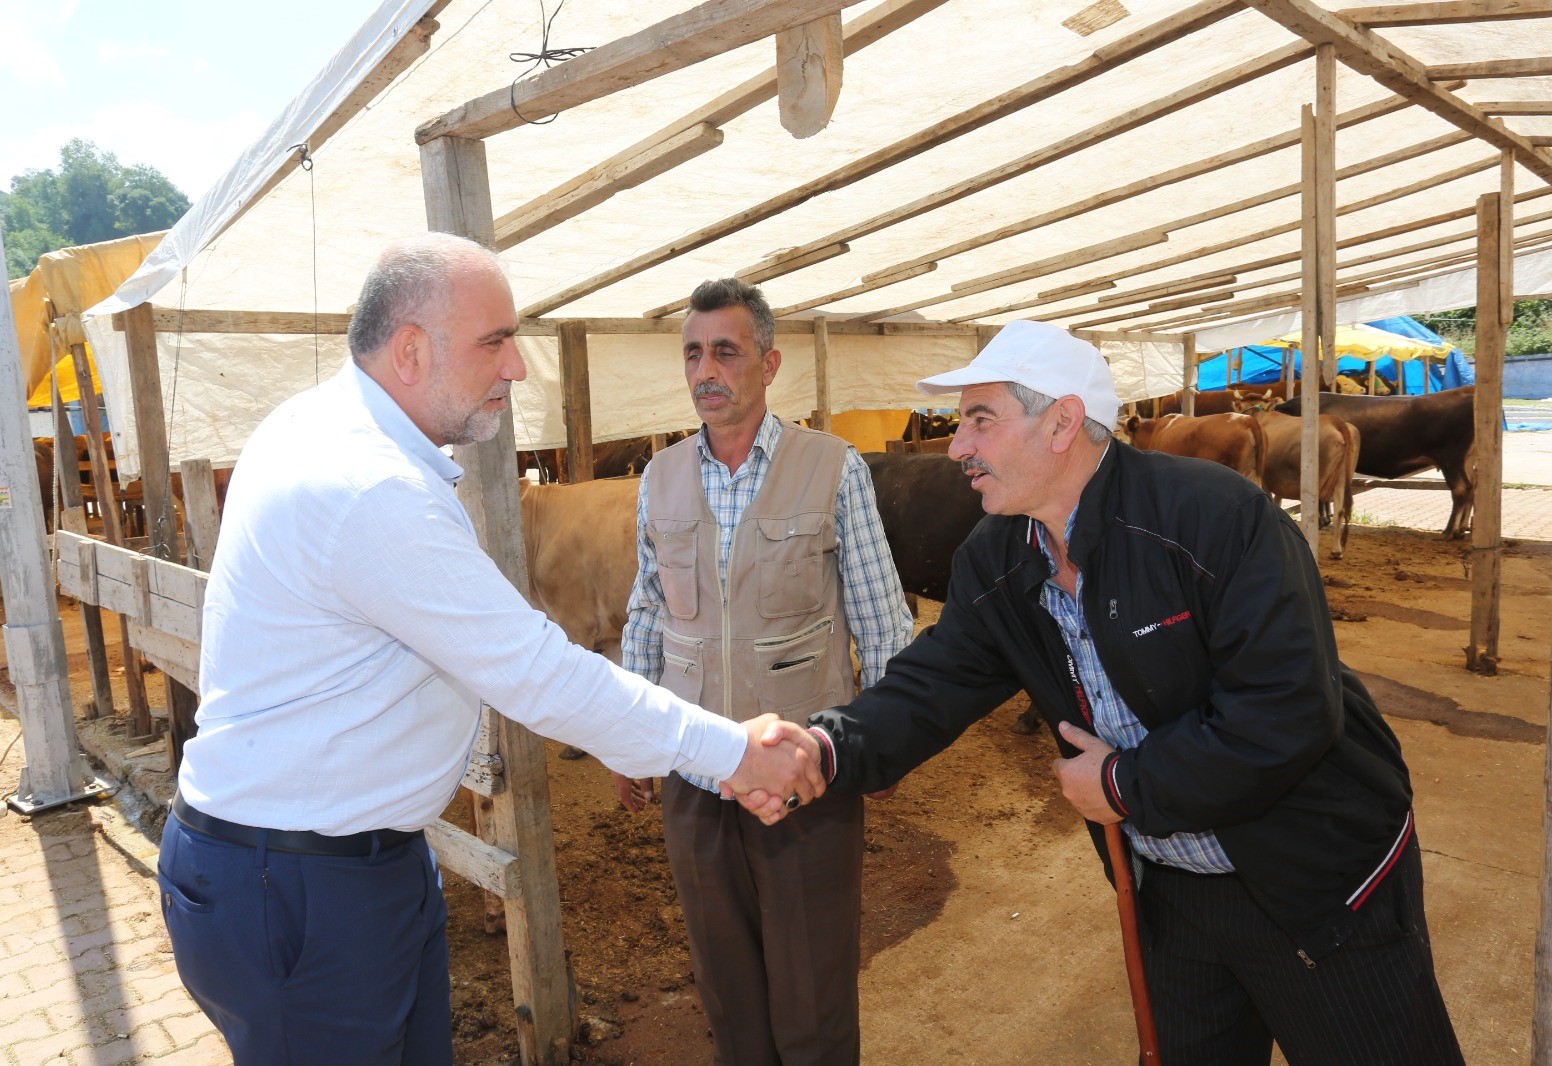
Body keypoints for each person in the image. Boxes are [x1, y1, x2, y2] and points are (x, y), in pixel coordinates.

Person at [157, 235, 824, 1066]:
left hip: (338, 861)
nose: (515, 368)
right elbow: (537, 673)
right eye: (494, 342)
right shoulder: (369, 488)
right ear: (410, 350)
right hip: (300, 885)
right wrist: (732, 752)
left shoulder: (315, 427)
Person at [802, 320, 1462, 1065]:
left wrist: (1122, 784)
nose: (957, 447)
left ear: (1061, 423)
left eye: (980, 421)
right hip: (1171, 887)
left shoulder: (1214, 516)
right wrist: (824, 749)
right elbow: (937, 678)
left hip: (1314, 872)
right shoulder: (997, 554)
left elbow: (1287, 711)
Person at [613, 277, 913, 1065]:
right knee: (727, 991)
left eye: (726, 351)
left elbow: (882, 615)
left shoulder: (833, 467)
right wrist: (628, 741)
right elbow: (647, 612)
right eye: (693, 354)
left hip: (802, 771)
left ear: (770, 364)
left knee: (812, 997)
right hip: (696, 769)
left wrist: (885, 746)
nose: (705, 371)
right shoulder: (660, 477)